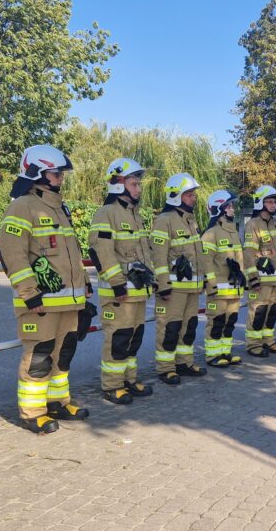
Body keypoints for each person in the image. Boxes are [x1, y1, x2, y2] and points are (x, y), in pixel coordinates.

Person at [0, 145, 91, 434]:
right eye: (56, 172)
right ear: (36, 171)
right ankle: (32, 412)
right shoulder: (22, 206)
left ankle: (58, 402)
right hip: (40, 302)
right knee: (39, 356)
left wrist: (84, 285)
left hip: (68, 300)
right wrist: (29, 294)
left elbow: (71, 253)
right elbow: (11, 252)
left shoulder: (59, 207)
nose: (61, 177)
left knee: (63, 354)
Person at [89, 158, 156, 404]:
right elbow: (101, 251)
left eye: (139, 184)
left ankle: (129, 380)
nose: (139, 189)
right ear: (118, 183)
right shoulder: (106, 214)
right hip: (119, 293)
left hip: (137, 292)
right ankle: (112, 386)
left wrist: (153, 278)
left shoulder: (135, 215)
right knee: (117, 340)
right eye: (134, 184)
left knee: (133, 339)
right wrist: (117, 283)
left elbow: (145, 253)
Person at [150, 173, 208, 384]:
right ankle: (166, 368)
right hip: (173, 289)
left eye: (193, 194)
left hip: (191, 287)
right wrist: (163, 285)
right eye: (189, 194)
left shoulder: (190, 221)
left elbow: (198, 254)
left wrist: (202, 280)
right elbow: (158, 256)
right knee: (169, 328)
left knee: (188, 327)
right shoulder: (164, 221)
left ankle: (184, 363)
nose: (194, 198)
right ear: (176, 196)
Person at [241, 185, 276, 357]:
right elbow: (248, 253)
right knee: (258, 312)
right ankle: (253, 344)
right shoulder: (253, 225)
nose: (273, 205)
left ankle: (268, 340)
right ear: (260, 203)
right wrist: (253, 278)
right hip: (261, 281)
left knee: (273, 311)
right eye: (269, 201)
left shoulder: (275, 224)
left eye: (274, 202)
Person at [201, 190, 246, 367]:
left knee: (230, 322)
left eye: (232, 205)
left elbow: (239, 259)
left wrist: (243, 280)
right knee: (216, 322)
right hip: (218, 290)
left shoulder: (233, 232)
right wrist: (211, 286)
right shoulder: (211, 234)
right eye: (228, 206)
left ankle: (225, 352)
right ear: (219, 208)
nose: (232, 209)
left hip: (233, 288)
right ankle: (213, 356)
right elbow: (206, 263)